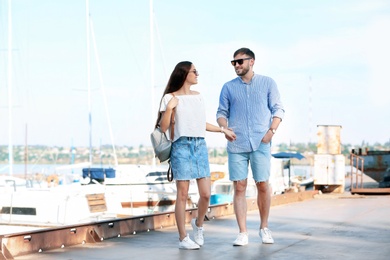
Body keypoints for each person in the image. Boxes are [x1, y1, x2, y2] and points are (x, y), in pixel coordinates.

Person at [156, 61, 236, 250]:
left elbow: (201, 124)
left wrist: (222, 130)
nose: (197, 74)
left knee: (206, 194)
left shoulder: (198, 97)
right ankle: (183, 238)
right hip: (181, 146)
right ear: (184, 74)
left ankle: (198, 225)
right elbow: (163, 127)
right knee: (182, 194)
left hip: (199, 146)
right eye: (194, 71)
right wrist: (169, 109)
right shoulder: (170, 98)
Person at [216, 48, 285, 246]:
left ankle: (264, 227)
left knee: (262, 184)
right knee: (239, 186)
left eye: (239, 62)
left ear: (251, 61)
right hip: (236, 142)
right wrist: (223, 128)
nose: (236, 65)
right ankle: (242, 232)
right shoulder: (228, 87)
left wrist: (271, 131)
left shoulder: (267, 83)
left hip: (261, 141)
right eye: (233, 63)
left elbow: (278, 108)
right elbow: (221, 112)